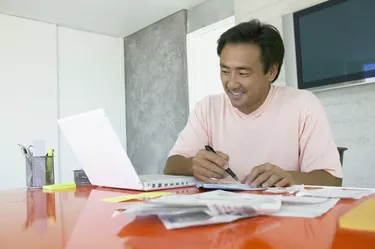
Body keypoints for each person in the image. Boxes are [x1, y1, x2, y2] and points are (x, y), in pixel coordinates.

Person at [164, 19, 343, 187]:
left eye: (243, 73)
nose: (232, 83)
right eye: (225, 71)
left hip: (284, 216)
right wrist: (193, 165)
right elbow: (172, 165)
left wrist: (290, 177)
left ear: (271, 71)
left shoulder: (303, 105)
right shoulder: (208, 108)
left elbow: (333, 180)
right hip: (224, 214)